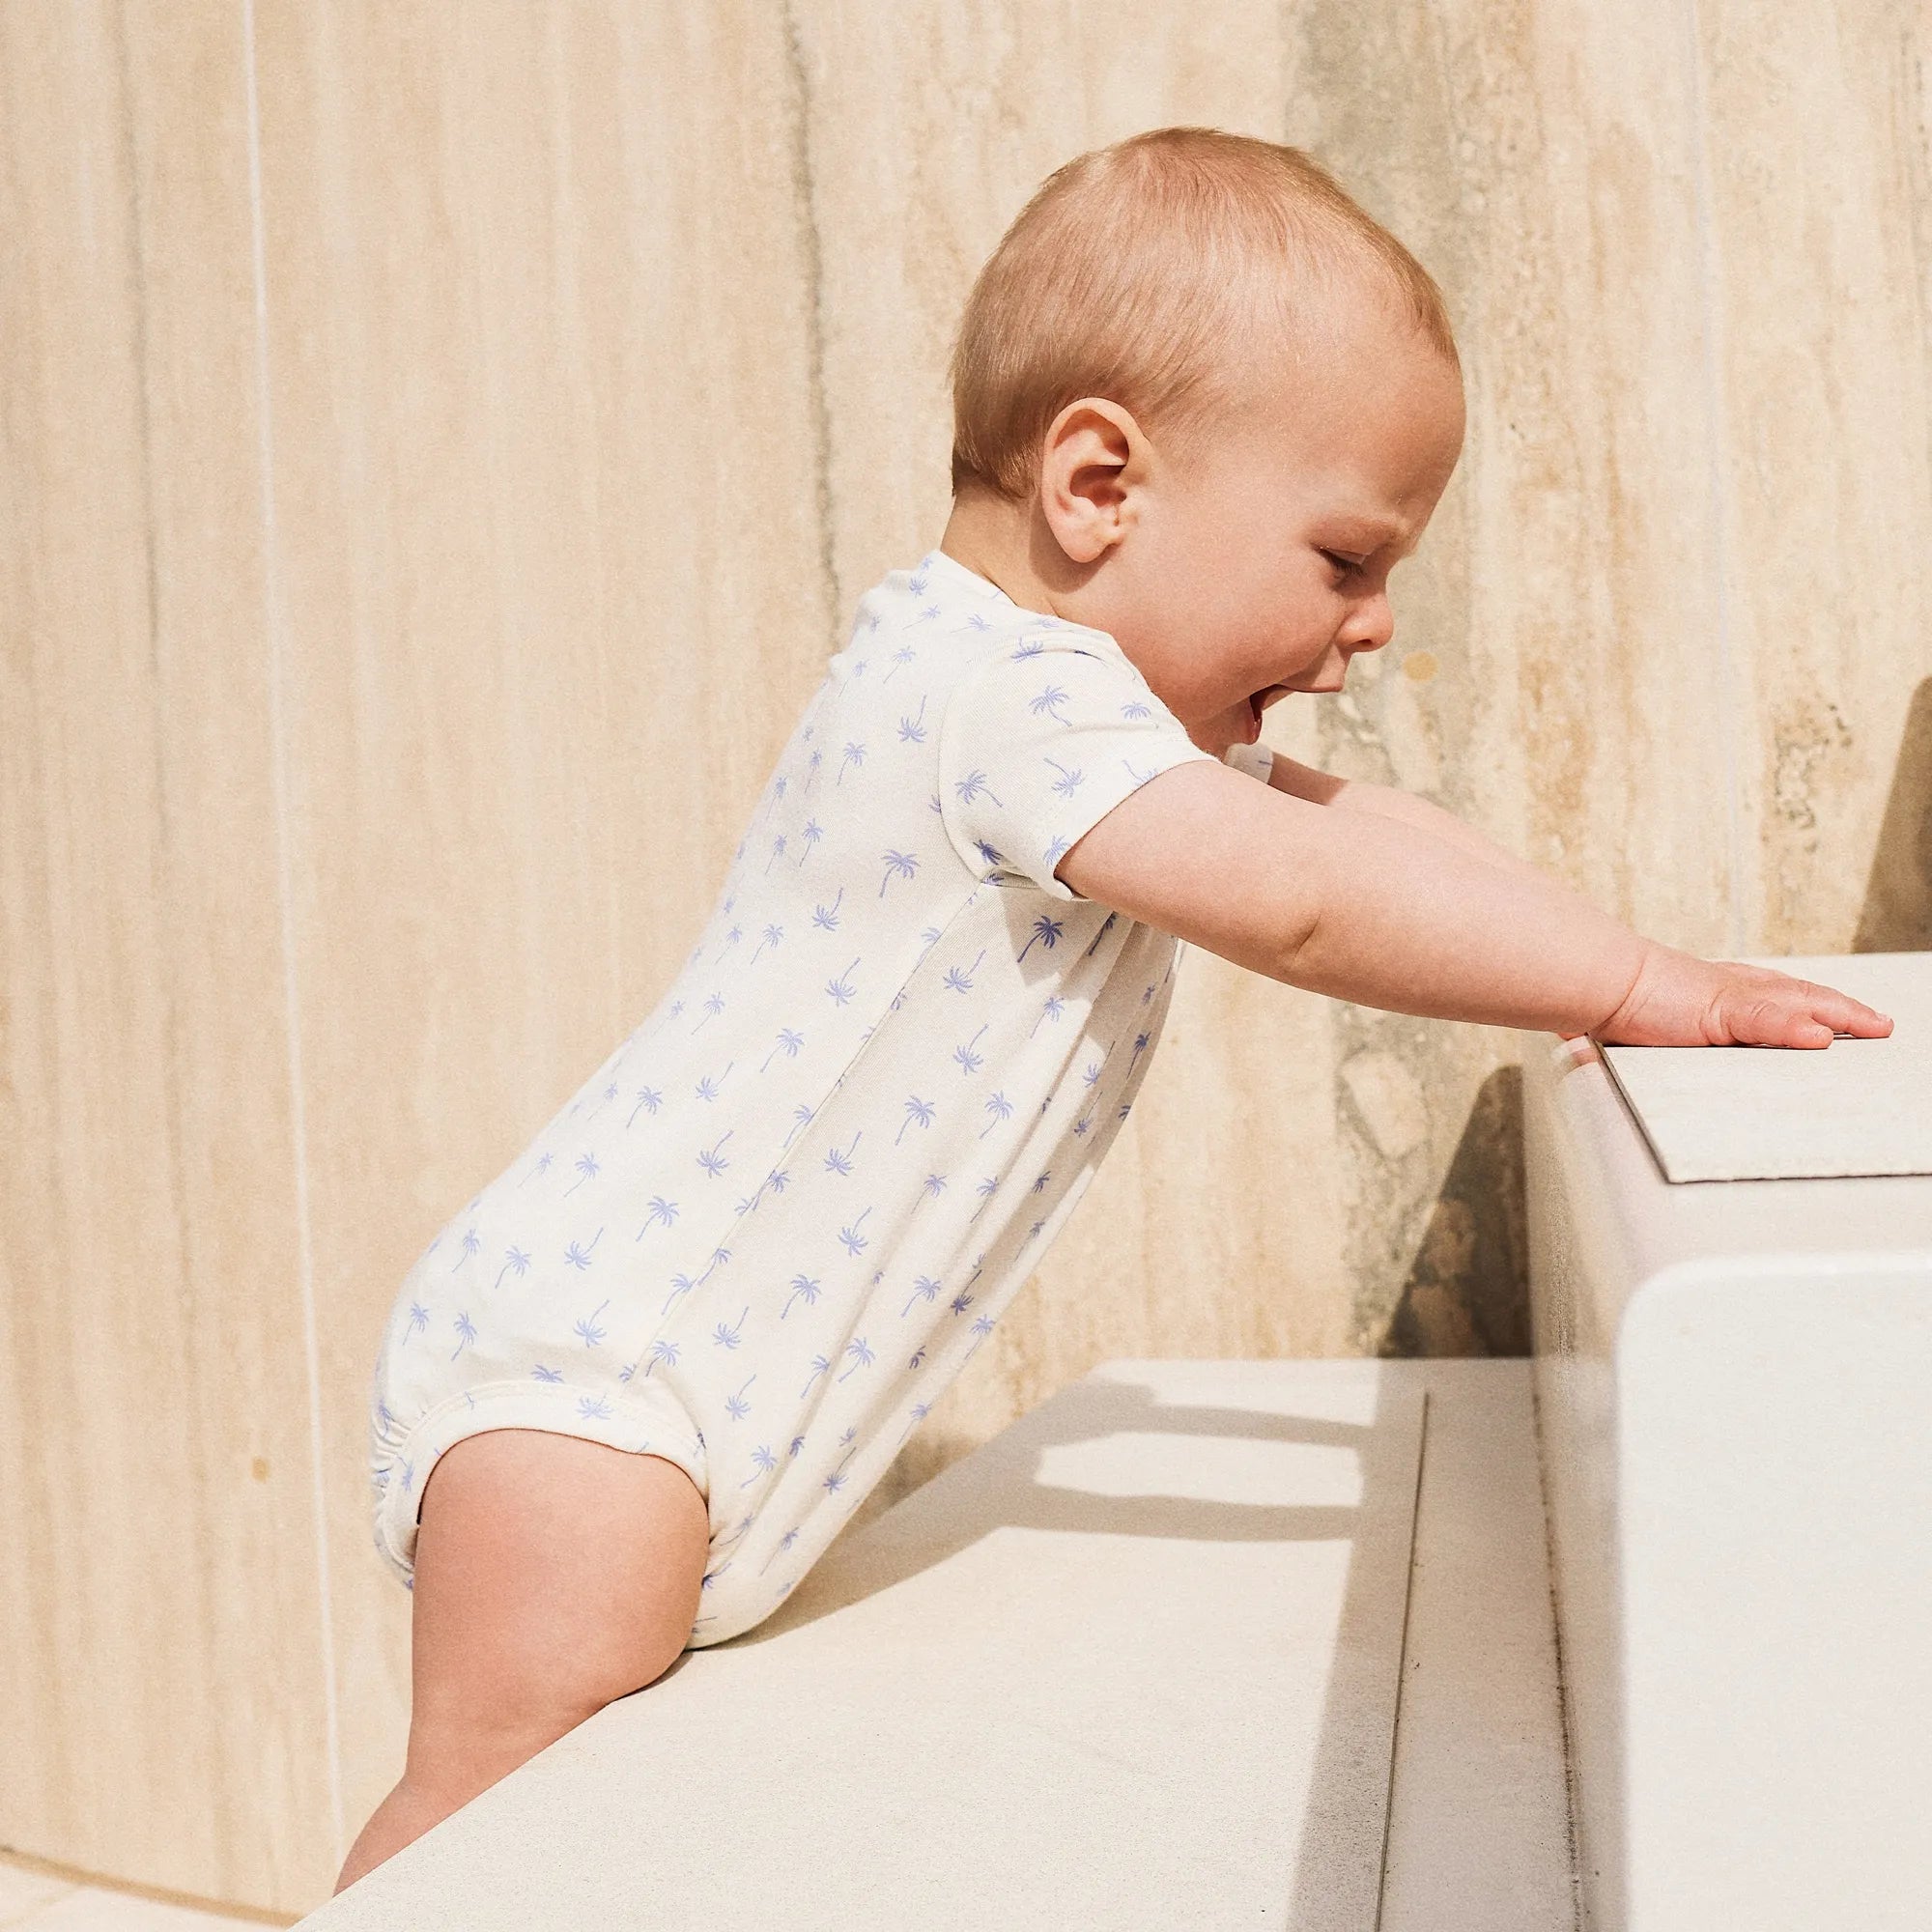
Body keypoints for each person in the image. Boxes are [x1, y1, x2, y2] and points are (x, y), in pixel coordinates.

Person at [334, 127, 1889, 1891]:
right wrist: (1628, 987)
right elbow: (1303, 906)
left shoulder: (1075, 717)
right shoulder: (994, 695)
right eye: (1344, 558)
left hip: (660, 1409)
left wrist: (1654, 973)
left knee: (588, 1840)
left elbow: (1359, 836)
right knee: (498, 1812)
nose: (1373, 626)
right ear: (1098, 485)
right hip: (598, 1387)